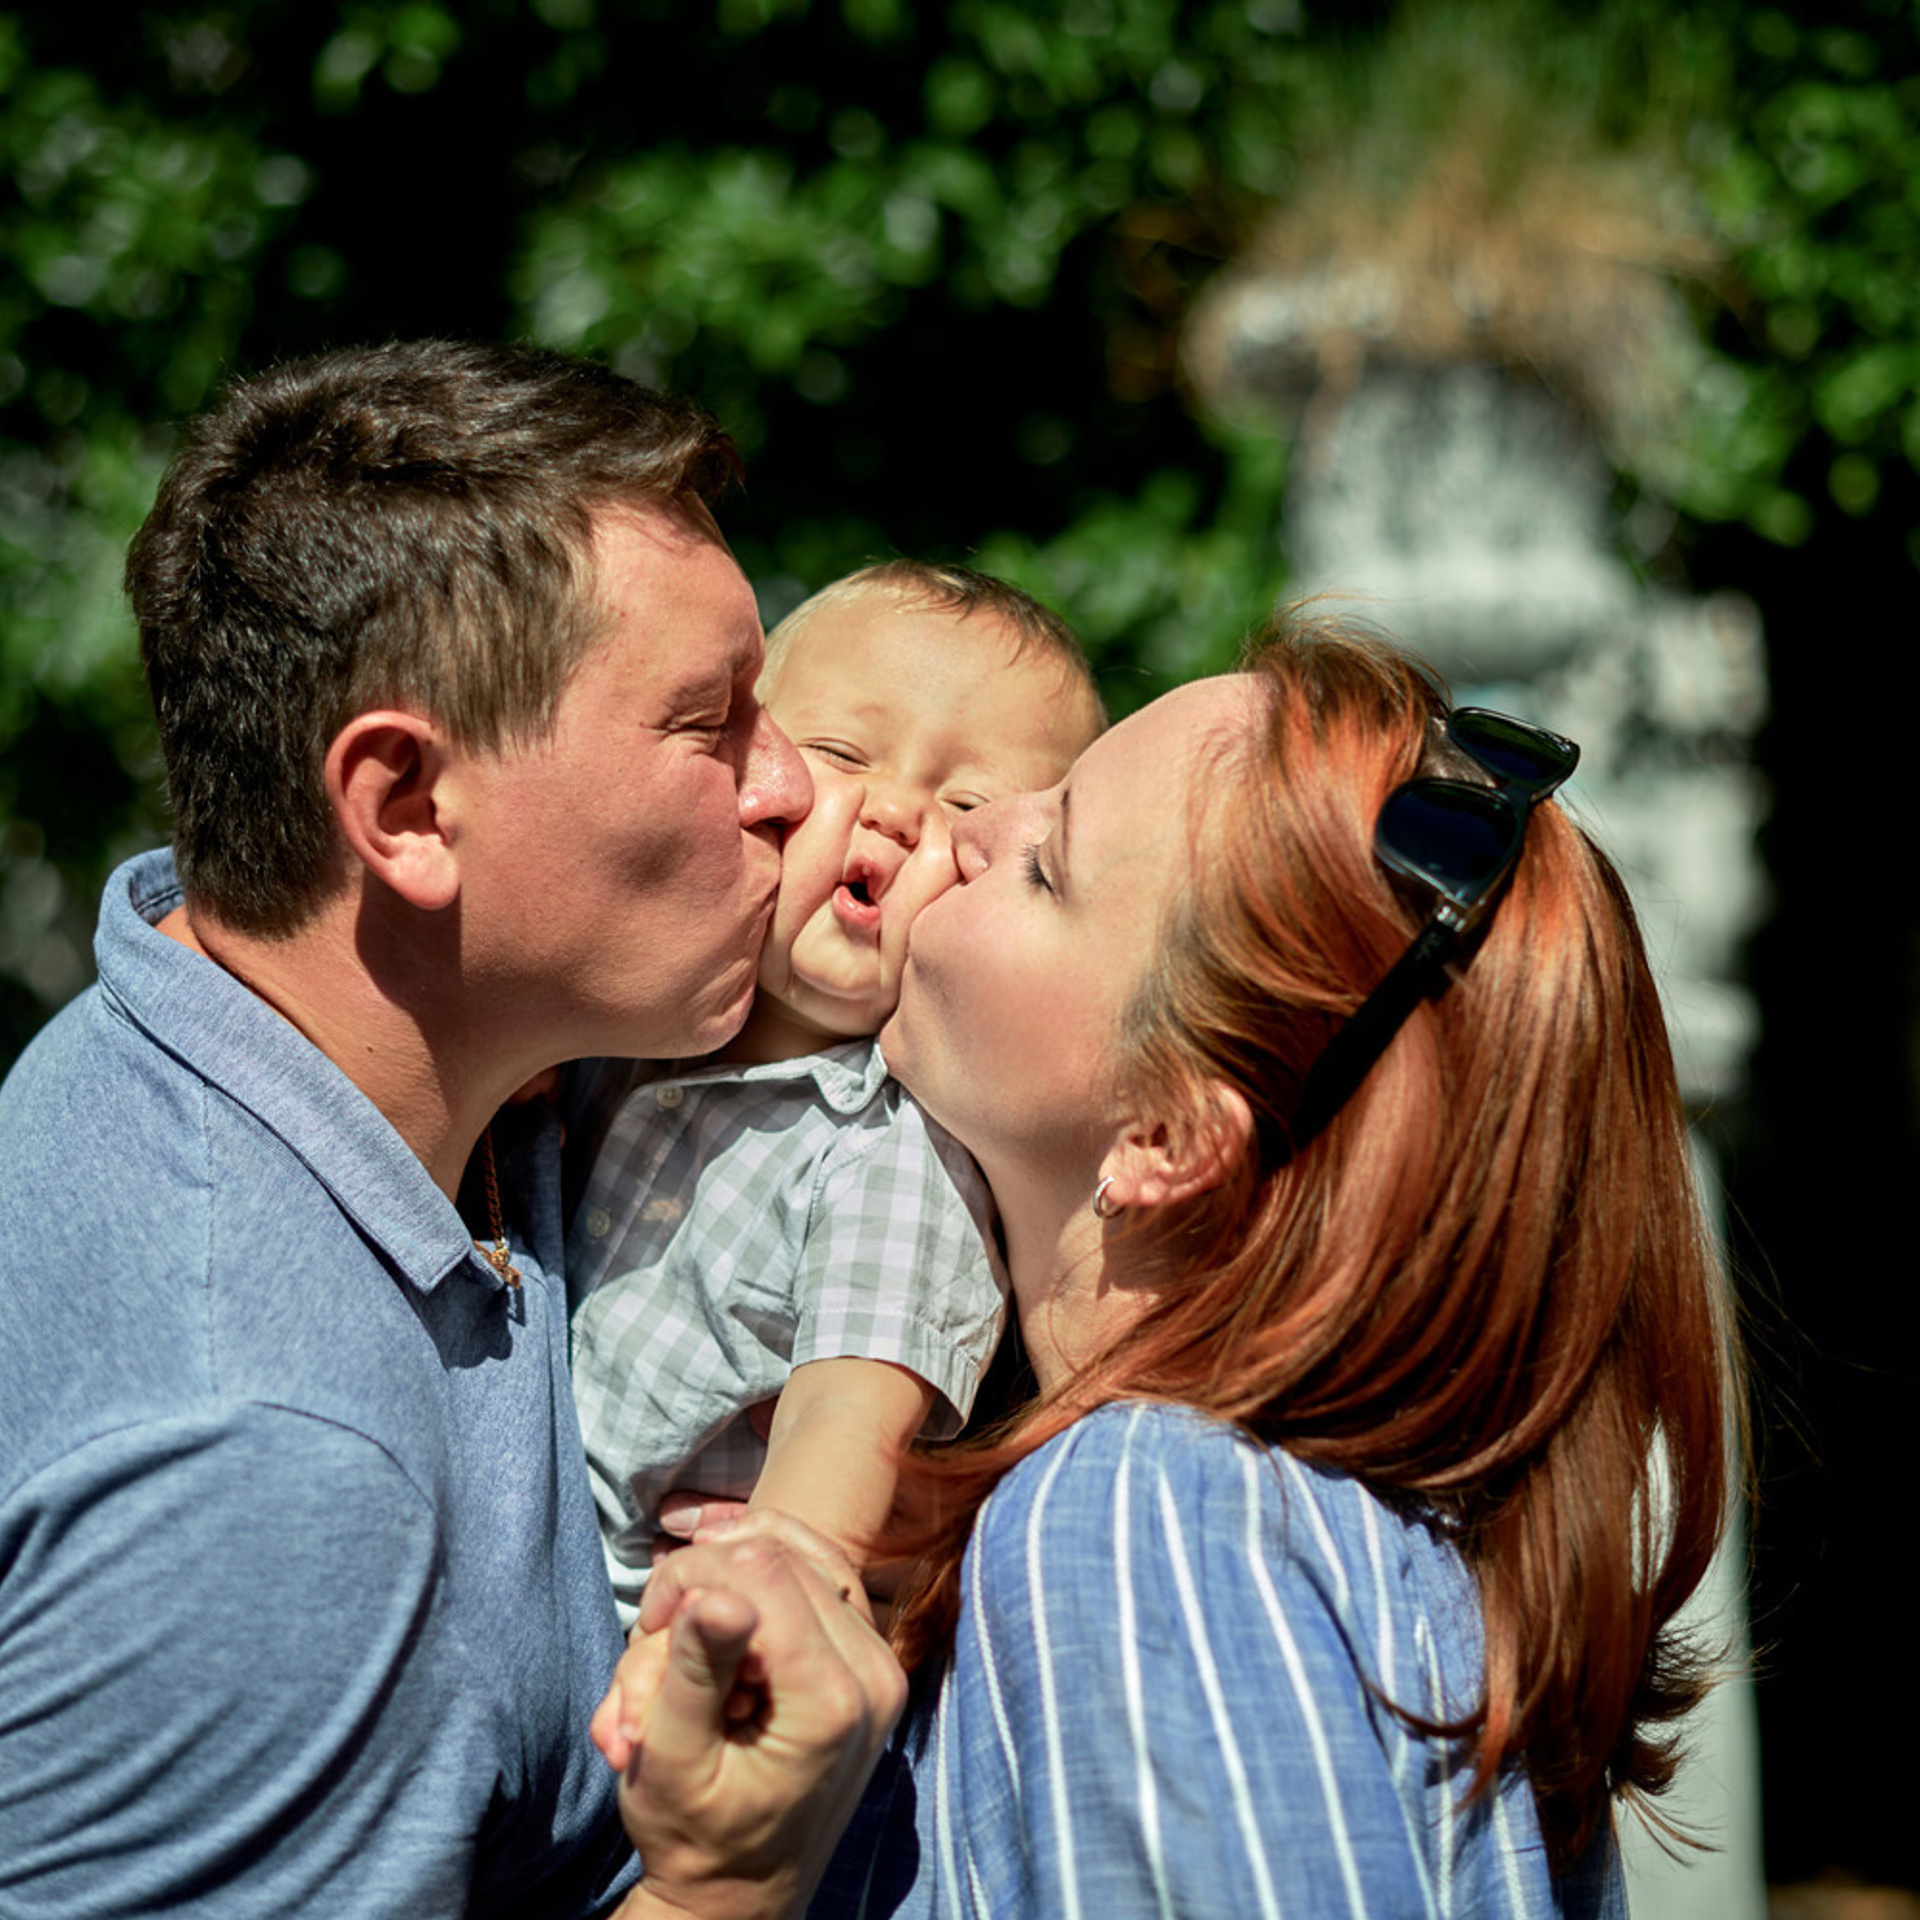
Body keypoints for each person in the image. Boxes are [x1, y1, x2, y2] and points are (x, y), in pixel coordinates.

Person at [608, 612, 1737, 1915]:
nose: (967, 831)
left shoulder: (1150, 1513)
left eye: (1049, 862)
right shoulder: (1314, 1524)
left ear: (1166, 1137)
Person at [0, 339, 902, 1919]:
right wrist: (724, 1881)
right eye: (709, 723)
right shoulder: (266, 1472)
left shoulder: (356, 1036)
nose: (788, 788)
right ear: (406, 808)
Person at [568, 561, 1104, 1620]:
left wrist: (780, 1586)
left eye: (968, 807)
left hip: (651, 1644)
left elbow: (844, 1419)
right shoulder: (615, 1031)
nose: (897, 812)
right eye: (844, 753)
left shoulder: (896, 1154)